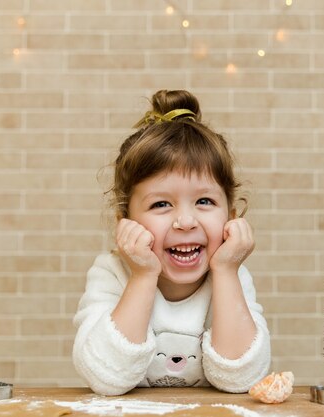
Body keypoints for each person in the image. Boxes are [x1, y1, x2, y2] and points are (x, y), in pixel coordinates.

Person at [72, 90, 271, 396]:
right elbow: (106, 378)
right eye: (161, 205)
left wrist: (227, 273)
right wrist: (142, 276)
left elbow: (241, 378)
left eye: (204, 201)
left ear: (230, 216)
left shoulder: (231, 275)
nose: (186, 221)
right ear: (124, 221)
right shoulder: (111, 273)